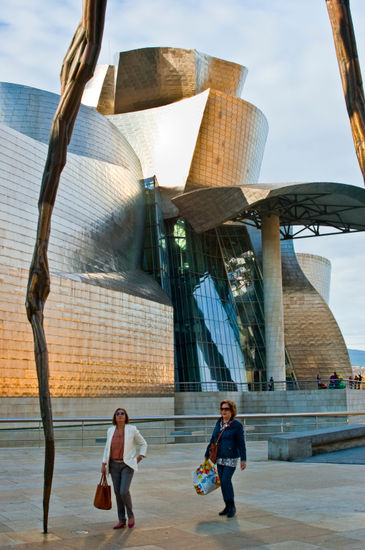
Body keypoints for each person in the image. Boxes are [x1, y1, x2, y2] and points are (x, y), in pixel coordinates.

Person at [101, 407, 147, 529]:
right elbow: (107, 448)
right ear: (114, 417)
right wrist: (103, 463)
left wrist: (139, 457)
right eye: (117, 414)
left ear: (126, 417)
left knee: (123, 491)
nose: (120, 415)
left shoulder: (132, 429)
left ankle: (131, 515)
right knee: (117, 492)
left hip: (127, 465)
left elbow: (143, 443)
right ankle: (121, 520)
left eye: (122, 414)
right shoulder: (110, 430)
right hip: (113, 465)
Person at [205, 400, 246, 518]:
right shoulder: (218, 423)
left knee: (226, 480)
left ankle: (232, 506)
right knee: (222, 482)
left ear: (232, 411)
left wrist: (243, 459)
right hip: (219, 457)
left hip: (231, 457)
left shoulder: (236, 425)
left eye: (226, 409)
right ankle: (227, 506)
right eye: (222, 409)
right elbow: (213, 439)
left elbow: (241, 443)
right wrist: (207, 454)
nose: (223, 411)